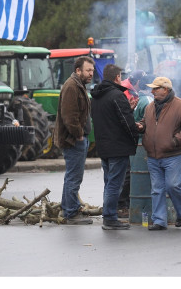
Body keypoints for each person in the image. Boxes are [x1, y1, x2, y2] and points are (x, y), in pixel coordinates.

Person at [137, 76, 181, 230]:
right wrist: (141, 126)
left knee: (173, 185)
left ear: (166, 89)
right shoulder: (150, 107)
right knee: (157, 189)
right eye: (153, 88)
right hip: (153, 155)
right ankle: (159, 220)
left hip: (173, 155)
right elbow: (145, 122)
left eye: (156, 88)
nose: (152, 91)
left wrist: (175, 140)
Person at [91, 64, 138, 230]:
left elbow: (110, 118)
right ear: (117, 77)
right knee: (115, 184)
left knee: (109, 182)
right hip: (118, 146)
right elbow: (126, 122)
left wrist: (128, 110)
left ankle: (108, 214)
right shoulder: (117, 95)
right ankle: (110, 217)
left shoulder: (96, 96)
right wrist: (135, 135)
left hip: (103, 145)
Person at [55, 56, 95, 225]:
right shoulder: (72, 87)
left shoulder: (78, 85)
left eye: (92, 70)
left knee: (72, 176)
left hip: (77, 139)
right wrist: (78, 134)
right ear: (78, 70)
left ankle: (68, 207)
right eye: (88, 70)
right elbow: (69, 116)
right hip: (74, 140)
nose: (91, 74)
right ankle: (71, 213)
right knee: (74, 177)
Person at [117, 69, 147, 217]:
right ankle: (121, 204)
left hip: (124, 136)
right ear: (139, 82)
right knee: (126, 172)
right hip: (123, 137)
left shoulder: (129, 89)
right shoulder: (125, 91)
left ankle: (122, 203)